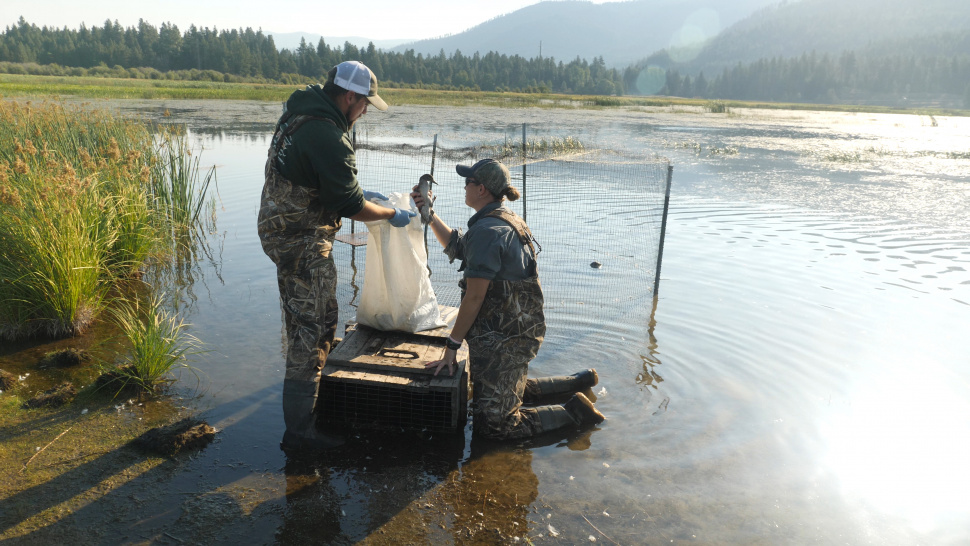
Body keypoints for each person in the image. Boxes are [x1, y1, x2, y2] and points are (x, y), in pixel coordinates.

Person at [258, 61, 416, 452]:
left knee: (316, 316)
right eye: (364, 104)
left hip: (280, 229)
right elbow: (348, 203)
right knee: (312, 329)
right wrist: (389, 214)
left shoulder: (299, 112)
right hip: (301, 239)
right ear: (349, 97)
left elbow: (324, 180)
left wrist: (365, 195)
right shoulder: (326, 133)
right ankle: (300, 433)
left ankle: (305, 411)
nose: (365, 112)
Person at [412, 158, 605, 440]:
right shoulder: (501, 219)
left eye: (468, 182)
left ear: (482, 190)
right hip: (519, 330)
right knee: (509, 387)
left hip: (505, 339)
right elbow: (459, 247)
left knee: (495, 426)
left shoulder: (488, 233)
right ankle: (578, 382)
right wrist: (429, 215)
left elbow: (475, 296)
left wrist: (451, 347)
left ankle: (576, 412)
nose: (463, 186)